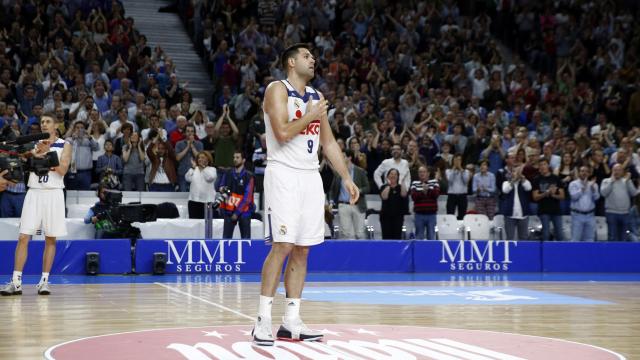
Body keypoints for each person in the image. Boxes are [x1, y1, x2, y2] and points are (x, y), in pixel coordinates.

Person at [252, 43, 359, 346]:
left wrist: (346, 178)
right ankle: (262, 320)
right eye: (306, 56)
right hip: (283, 172)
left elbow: (329, 143)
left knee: (303, 249)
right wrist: (311, 115)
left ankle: (291, 321)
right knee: (283, 245)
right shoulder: (277, 89)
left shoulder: (317, 98)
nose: (313, 60)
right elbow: (283, 133)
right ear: (290, 62)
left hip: (311, 177)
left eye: (313, 57)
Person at [1, 114, 72, 296]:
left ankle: (44, 281)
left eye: (48, 121)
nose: (44, 124)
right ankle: (16, 281)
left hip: (54, 193)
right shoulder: (33, 144)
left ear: (56, 125)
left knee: (50, 239)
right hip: (34, 192)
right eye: (42, 122)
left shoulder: (65, 145)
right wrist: (36, 152)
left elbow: (63, 170)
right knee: (24, 237)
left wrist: (47, 154)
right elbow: (21, 158)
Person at [329, 149, 370, 239]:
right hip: (343, 205)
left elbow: (367, 187)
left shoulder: (360, 171)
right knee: (346, 233)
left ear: (349, 157)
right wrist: (331, 201)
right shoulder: (338, 172)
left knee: (360, 233)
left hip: (358, 205)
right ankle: (347, 253)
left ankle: (361, 252)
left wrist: (359, 190)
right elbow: (333, 189)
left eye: (343, 156)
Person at [218, 150, 254, 238]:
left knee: (246, 241)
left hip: (244, 211)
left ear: (243, 160)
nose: (235, 159)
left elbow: (247, 198)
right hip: (229, 210)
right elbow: (221, 187)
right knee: (226, 240)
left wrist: (237, 213)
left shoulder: (249, 176)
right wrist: (222, 189)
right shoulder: (228, 173)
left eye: (237, 157)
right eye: (234, 157)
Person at [600, 164, 637, 241]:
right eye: (615, 170)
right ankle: (611, 253)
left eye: (619, 170)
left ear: (622, 172)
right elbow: (603, 193)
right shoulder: (606, 181)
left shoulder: (626, 181)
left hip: (625, 214)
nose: (617, 172)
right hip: (611, 213)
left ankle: (623, 253)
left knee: (624, 236)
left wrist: (628, 181)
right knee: (612, 236)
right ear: (612, 171)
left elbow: (634, 193)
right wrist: (611, 182)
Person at [532, 158, 565, 240]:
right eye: (540, 165)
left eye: (544, 164)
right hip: (543, 210)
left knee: (560, 235)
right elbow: (535, 197)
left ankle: (561, 252)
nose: (543, 167)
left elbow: (562, 196)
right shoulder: (537, 179)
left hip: (556, 210)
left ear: (548, 166)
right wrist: (545, 193)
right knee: (546, 235)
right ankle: (546, 252)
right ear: (539, 168)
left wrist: (553, 195)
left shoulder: (556, 178)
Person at [568, 165, 599, 242]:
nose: (584, 173)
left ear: (589, 173)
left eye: (586, 171)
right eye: (582, 171)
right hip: (577, 215)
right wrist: (582, 189)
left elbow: (597, 198)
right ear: (579, 173)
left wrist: (593, 190)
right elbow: (573, 197)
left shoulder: (593, 184)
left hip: (590, 216)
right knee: (575, 239)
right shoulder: (573, 184)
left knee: (590, 239)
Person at [502, 165, 531, 240]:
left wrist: (523, 179)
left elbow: (529, 188)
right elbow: (505, 190)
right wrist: (513, 181)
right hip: (510, 215)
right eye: (515, 171)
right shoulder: (506, 183)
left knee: (524, 238)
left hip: (523, 215)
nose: (517, 174)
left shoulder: (524, 182)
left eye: (519, 172)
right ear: (511, 173)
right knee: (510, 238)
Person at [410, 165, 440, 240]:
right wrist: (423, 192)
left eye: (424, 172)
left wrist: (428, 190)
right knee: (419, 236)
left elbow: (436, 195)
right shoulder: (414, 183)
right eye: (420, 172)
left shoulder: (434, 182)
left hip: (431, 215)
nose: (422, 173)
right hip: (419, 214)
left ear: (428, 173)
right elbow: (414, 197)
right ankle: (419, 251)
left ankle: (431, 251)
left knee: (431, 236)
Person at [185, 151, 217, 218]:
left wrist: (203, 168)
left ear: (208, 159)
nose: (200, 159)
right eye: (199, 158)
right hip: (193, 201)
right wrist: (192, 168)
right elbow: (187, 178)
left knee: (206, 224)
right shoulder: (194, 169)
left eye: (202, 157)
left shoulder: (212, 169)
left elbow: (210, 178)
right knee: (193, 224)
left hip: (207, 202)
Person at [380, 168, 408, 239]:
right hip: (385, 217)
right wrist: (389, 185)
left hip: (398, 217)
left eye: (395, 174)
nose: (393, 176)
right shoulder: (384, 187)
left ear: (398, 176)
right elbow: (384, 197)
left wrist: (403, 181)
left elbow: (404, 194)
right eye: (391, 174)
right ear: (388, 176)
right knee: (386, 237)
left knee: (397, 237)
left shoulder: (400, 187)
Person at [446, 154, 471, 220]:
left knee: (462, 216)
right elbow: (450, 180)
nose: (457, 162)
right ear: (453, 161)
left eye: (459, 160)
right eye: (455, 160)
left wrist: (460, 169)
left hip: (462, 196)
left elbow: (466, 181)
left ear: (462, 161)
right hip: (451, 196)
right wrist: (454, 169)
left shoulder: (466, 171)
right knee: (450, 216)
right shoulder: (448, 171)